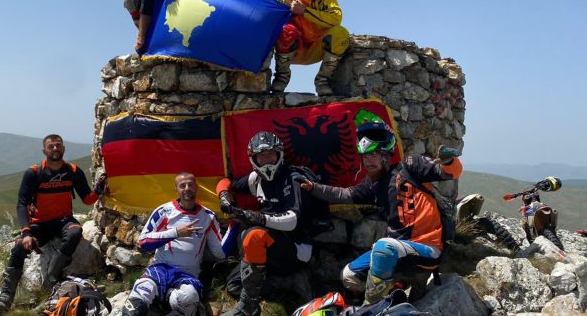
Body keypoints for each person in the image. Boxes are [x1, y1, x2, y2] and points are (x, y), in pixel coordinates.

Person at [297, 121, 463, 304]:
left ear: (386, 155)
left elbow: (450, 172)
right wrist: (313, 187)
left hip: (428, 249)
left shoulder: (410, 166)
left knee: (384, 247)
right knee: (349, 276)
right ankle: (394, 294)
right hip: (397, 251)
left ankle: (372, 306)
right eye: (365, 156)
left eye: (374, 155)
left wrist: (449, 160)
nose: (369, 161)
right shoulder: (372, 186)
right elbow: (343, 194)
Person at [0, 134, 106, 314]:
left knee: (75, 232)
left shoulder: (73, 171)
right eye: (51, 146)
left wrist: (98, 189)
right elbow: (22, 204)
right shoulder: (34, 173)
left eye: (58, 145)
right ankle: (5, 297)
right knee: (19, 247)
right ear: (44, 151)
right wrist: (26, 233)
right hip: (39, 224)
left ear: (63, 148)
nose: (55, 148)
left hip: (63, 220)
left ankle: (51, 276)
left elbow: (87, 199)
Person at [217, 132, 316, 316]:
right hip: (269, 250)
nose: (267, 160)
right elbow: (225, 181)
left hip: (296, 248)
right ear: (254, 159)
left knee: (253, 234)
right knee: (233, 285)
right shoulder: (256, 179)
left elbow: (295, 220)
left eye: (271, 154)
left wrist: (261, 218)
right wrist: (224, 195)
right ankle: (283, 284)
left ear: (280, 154)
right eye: (261, 156)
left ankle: (248, 307)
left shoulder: (294, 178)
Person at [122, 172, 225, 316]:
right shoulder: (164, 211)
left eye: (190, 185)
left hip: (188, 274)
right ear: (176, 189)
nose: (187, 188)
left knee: (189, 298)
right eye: (182, 186)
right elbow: (144, 243)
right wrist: (175, 233)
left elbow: (220, 252)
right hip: (160, 269)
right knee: (135, 304)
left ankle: (163, 298)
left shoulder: (208, 216)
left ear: (196, 187)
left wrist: (234, 225)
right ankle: (158, 297)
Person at [272, 0, 350, 96]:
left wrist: (305, 11)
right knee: (285, 31)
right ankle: (281, 76)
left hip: (317, 47)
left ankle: (323, 81)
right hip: (294, 50)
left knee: (341, 34)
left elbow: (336, 17)